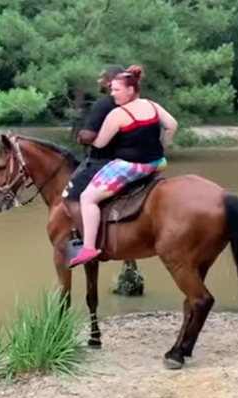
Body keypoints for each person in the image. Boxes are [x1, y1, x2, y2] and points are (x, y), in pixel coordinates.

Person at [68, 65, 178, 268]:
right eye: (111, 90)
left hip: (131, 167)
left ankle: (89, 247)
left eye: (116, 90)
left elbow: (99, 143)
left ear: (130, 90)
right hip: (156, 163)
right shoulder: (152, 105)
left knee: (87, 197)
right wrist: (162, 145)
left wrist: (86, 137)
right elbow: (172, 125)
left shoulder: (118, 114)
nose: (112, 94)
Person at [62, 65, 126, 231]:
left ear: (110, 82)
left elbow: (88, 135)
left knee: (70, 197)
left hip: (104, 161)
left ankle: (87, 241)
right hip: (137, 161)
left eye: (102, 78)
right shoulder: (136, 103)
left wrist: (81, 137)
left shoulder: (104, 104)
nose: (99, 81)